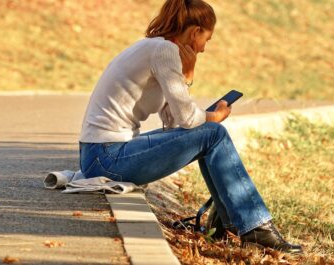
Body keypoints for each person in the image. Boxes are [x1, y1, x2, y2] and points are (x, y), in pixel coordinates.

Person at [79, 0, 303, 254]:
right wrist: (213, 117)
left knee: (209, 135)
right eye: (207, 39)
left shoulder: (153, 48)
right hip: (107, 159)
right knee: (214, 133)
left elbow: (173, 122)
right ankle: (255, 229)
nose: (205, 49)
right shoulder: (164, 52)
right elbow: (187, 120)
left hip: (101, 156)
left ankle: (229, 225)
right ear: (195, 31)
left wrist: (186, 79)